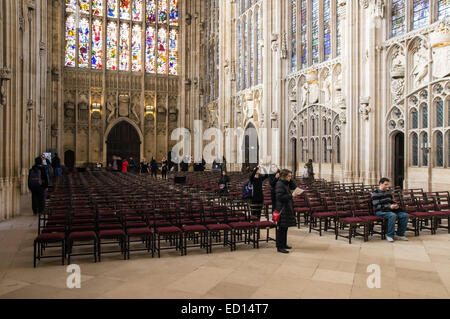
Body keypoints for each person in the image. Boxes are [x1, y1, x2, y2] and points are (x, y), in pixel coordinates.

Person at [371, 177, 409, 242]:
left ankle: (400, 234)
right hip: (380, 211)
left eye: (388, 184)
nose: (387, 186)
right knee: (392, 215)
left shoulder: (388, 192)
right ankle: (389, 235)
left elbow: (392, 201)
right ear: (380, 183)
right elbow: (377, 206)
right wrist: (389, 207)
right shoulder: (375, 193)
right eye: (385, 184)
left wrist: (395, 205)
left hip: (390, 210)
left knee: (405, 215)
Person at [274, 169, 299, 254]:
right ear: (284, 176)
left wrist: (289, 179)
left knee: (285, 227)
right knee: (281, 228)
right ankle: (279, 247)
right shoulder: (279, 184)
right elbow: (279, 197)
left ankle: (284, 244)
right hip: (281, 209)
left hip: (286, 208)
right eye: (289, 176)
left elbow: (294, 186)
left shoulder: (285, 183)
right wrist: (291, 195)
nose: (290, 177)